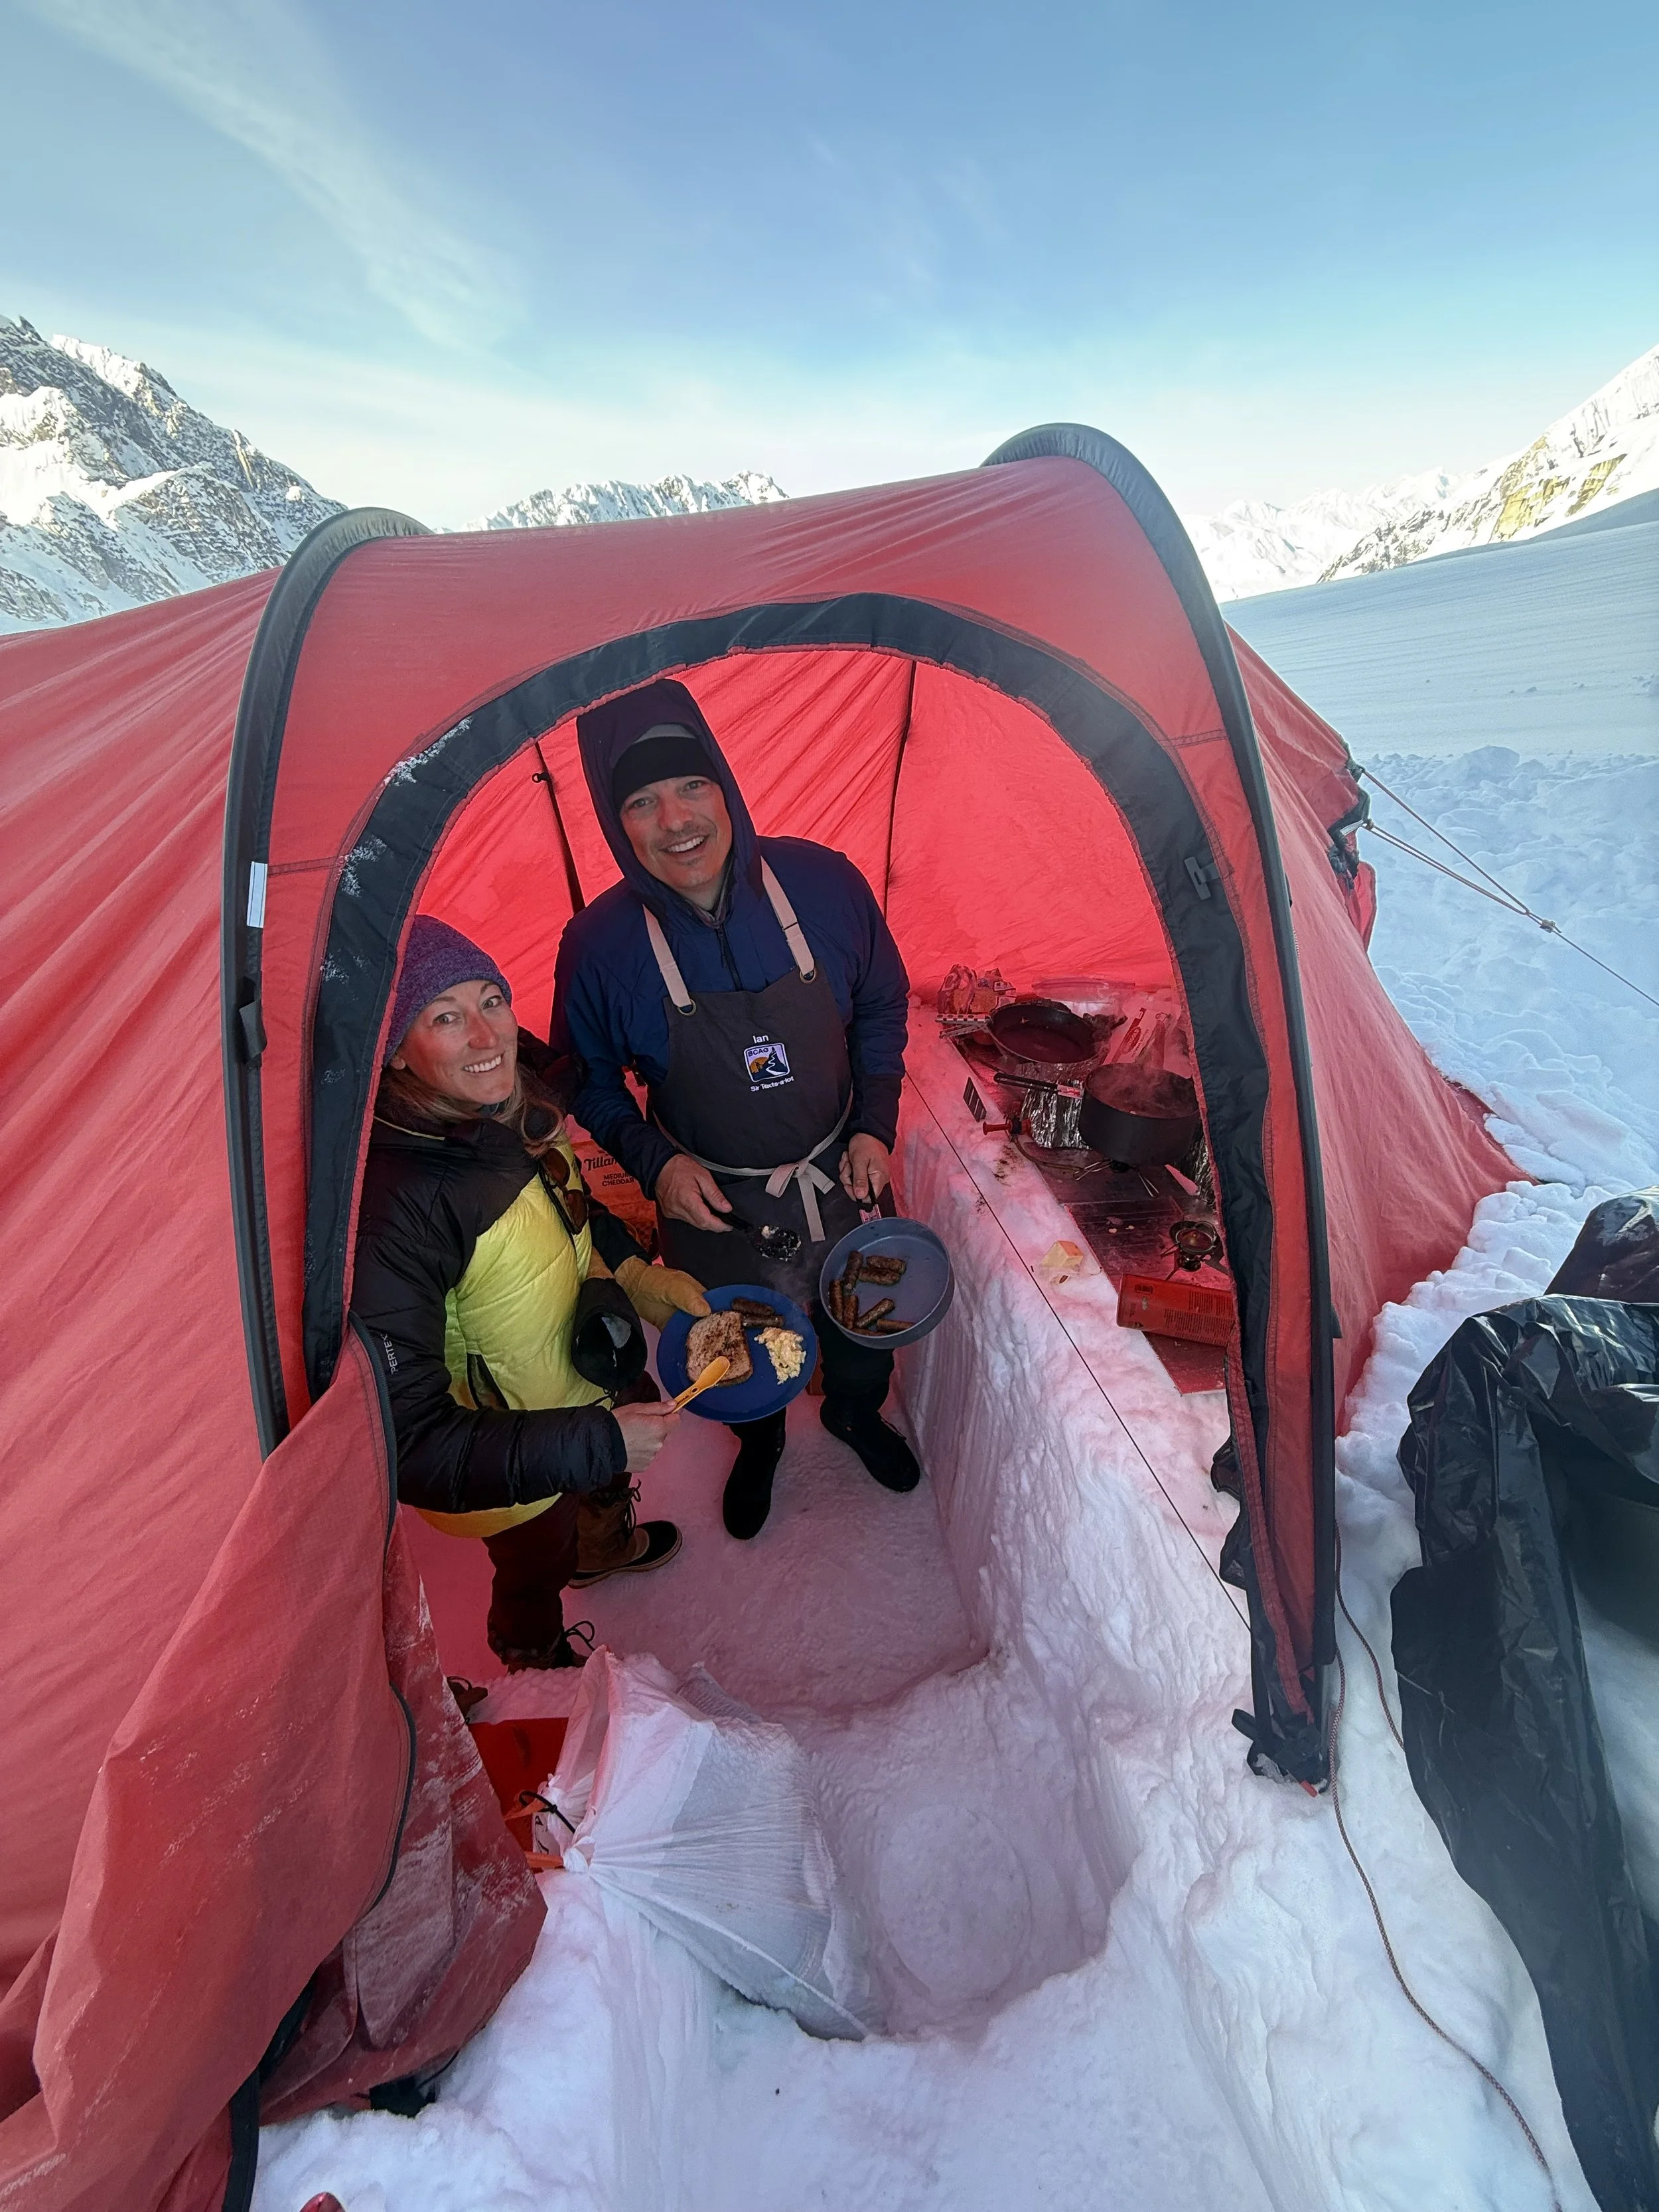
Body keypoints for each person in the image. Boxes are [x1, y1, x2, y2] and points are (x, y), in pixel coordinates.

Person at [552, 677, 917, 1540]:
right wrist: (655, 1164)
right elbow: (585, 1081)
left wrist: (876, 1122)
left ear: (724, 787)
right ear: (618, 824)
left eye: (689, 788)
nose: (674, 819)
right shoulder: (599, 949)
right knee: (735, 1347)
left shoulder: (825, 884)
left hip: (840, 1171)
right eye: (641, 802)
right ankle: (760, 1442)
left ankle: (854, 1415)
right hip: (713, 1203)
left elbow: (883, 1005)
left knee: (865, 1328)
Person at [351, 917, 712, 1668]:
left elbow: (569, 1209)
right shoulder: (396, 1207)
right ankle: (532, 1650)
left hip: (588, 1362)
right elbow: (407, 1440)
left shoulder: (515, 1109)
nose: (488, 1038)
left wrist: (638, 1277)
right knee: (536, 1560)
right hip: (508, 1449)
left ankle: (602, 1546)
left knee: (606, 1478)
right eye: (445, 1017)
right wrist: (593, 1440)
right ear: (394, 1053)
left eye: (493, 1001)